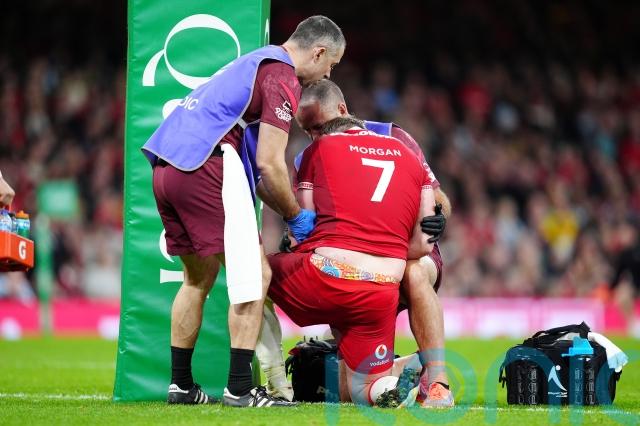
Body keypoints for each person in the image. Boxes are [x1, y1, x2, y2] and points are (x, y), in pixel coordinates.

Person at [141, 16, 345, 407]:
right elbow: (270, 163)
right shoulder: (281, 75)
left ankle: (181, 386)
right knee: (256, 275)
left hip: (167, 165)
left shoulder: (252, 63)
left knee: (197, 277)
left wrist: (286, 210)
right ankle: (239, 389)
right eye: (331, 65)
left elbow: (258, 175)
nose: (327, 74)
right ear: (318, 52)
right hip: (206, 165)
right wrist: (295, 216)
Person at [293, 79, 453, 407]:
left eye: (318, 127)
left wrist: (439, 216)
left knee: (413, 273)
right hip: (355, 265)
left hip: (407, 253)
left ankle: (438, 384)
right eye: (306, 130)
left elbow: (439, 199)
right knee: (352, 392)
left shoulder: (394, 137)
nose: (314, 136)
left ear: (341, 110)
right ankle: (408, 367)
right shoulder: (308, 157)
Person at [268, 115, 436, 405]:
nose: (311, 135)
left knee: (253, 275)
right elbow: (423, 243)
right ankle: (410, 370)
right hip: (382, 289)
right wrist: (385, 251)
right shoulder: (411, 156)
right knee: (363, 391)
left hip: (326, 278)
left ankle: (270, 384)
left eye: (313, 130)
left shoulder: (320, 149)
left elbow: (303, 231)